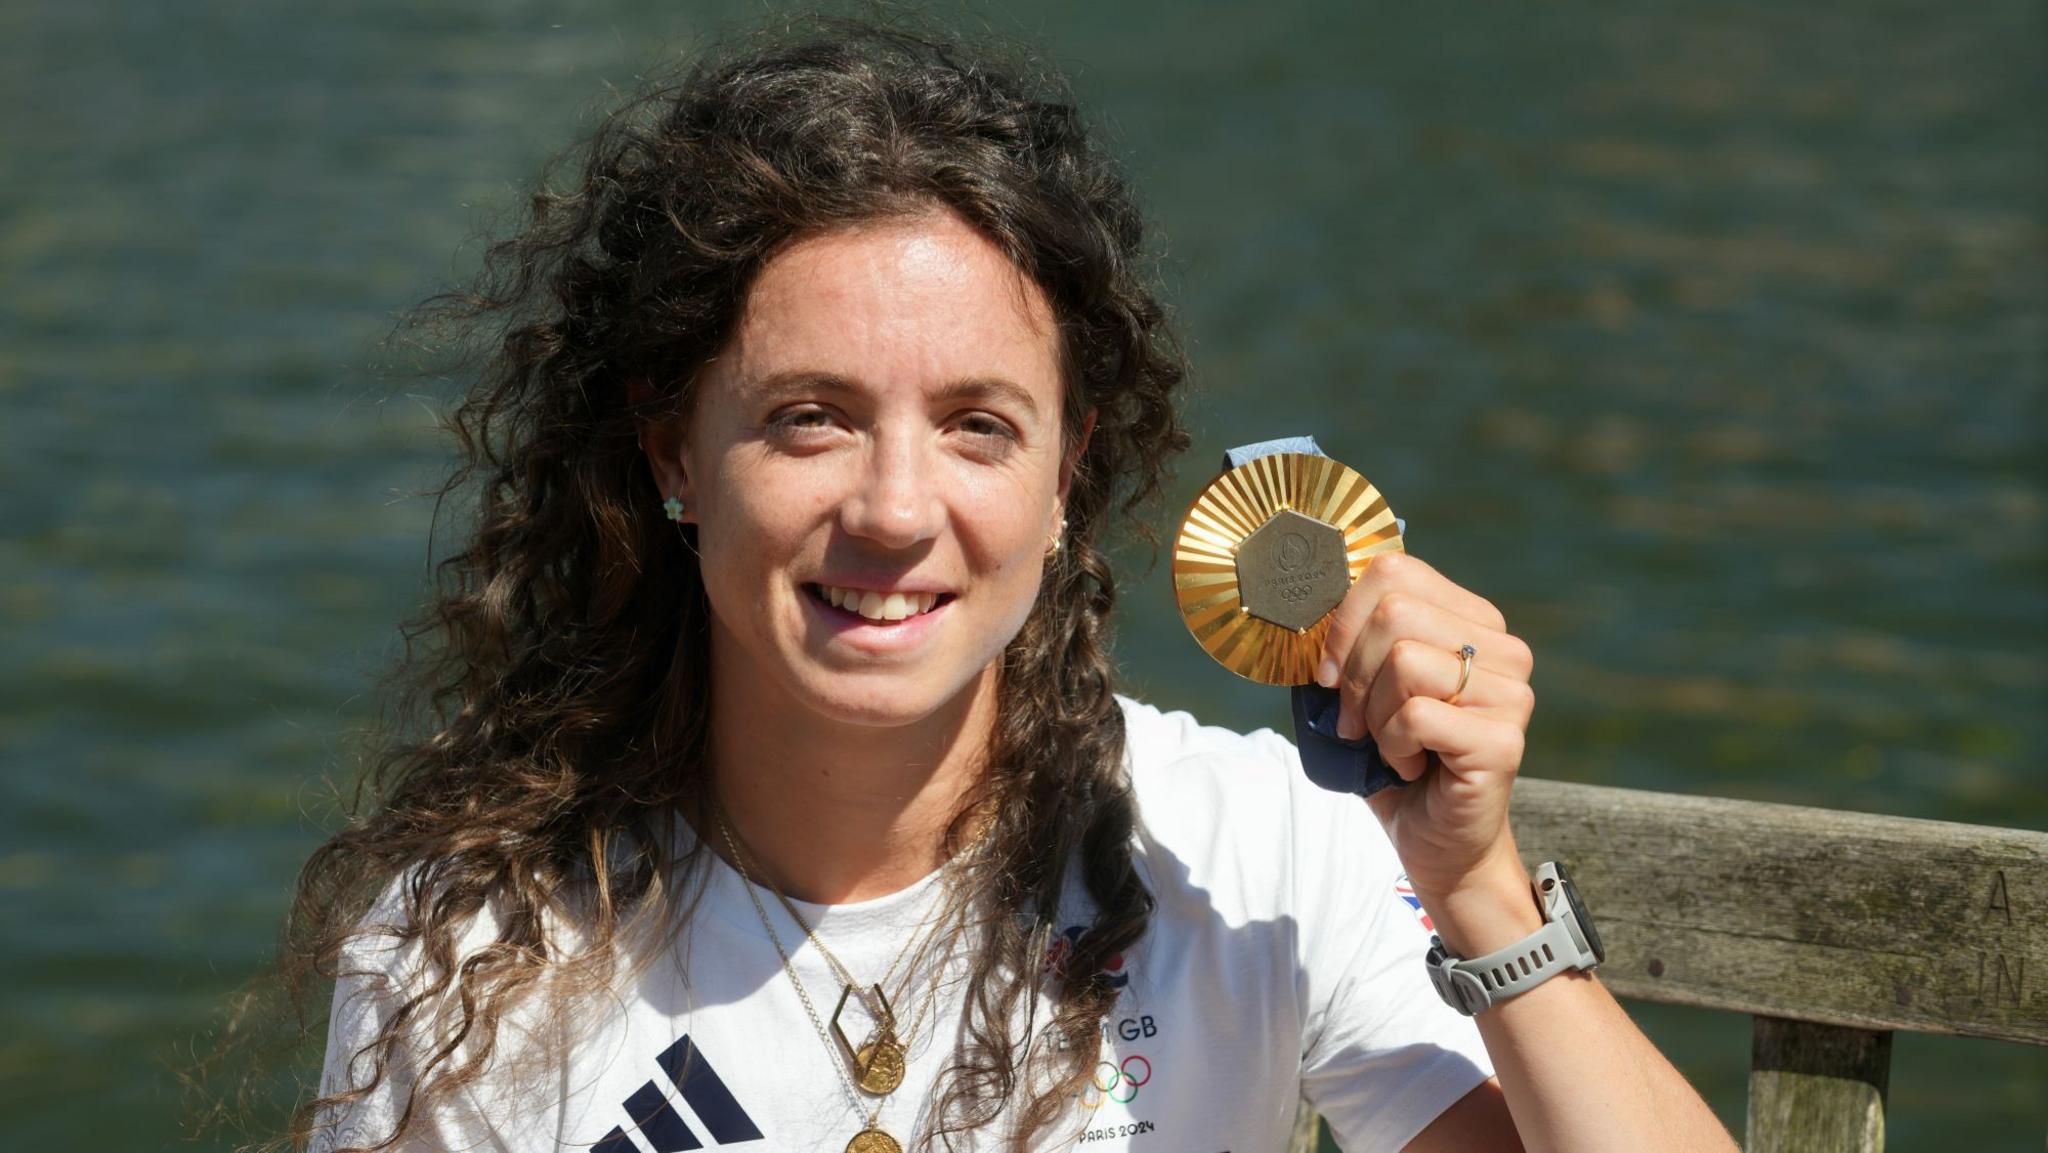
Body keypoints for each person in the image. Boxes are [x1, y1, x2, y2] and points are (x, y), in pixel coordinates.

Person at [295, 22, 1737, 1153]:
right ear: (675, 449)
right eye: (811, 415)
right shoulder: (475, 950)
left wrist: (1476, 885)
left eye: (979, 424)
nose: (898, 509)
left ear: (1066, 476)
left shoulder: (1249, 856)